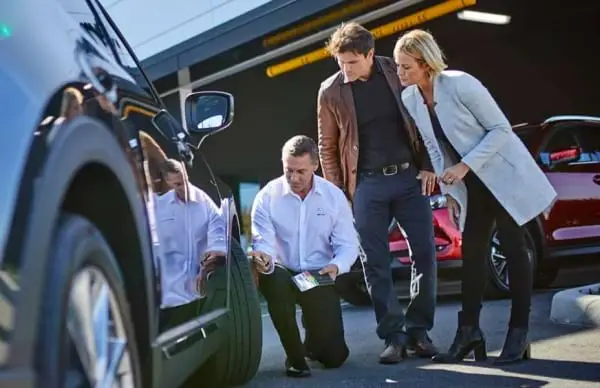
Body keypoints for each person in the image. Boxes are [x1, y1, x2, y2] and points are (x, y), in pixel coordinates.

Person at [394, 29, 558, 364]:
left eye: (405, 67)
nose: (399, 74)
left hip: (502, 176)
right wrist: (451, 190)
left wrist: (465, 167)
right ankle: (469, 333)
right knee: (473, 254)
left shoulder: (460, 84)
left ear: (425, 64)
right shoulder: (412, 98)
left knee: (514, 247)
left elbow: (501, 129)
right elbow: (434, 147)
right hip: (472, 185)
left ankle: (519, 332)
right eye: (398, 66)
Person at [317, 21, 439, 364]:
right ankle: (394, 335)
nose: (345, 69)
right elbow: (327, 146)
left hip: (409, 179)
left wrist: (429, 165)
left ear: (370, 55)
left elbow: (422, 119)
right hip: (366, 185)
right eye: (340, 62)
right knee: (375, 264)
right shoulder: (330, 90)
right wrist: (339, 195)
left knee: (425, 255)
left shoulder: (394, 70)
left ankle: (418, 331)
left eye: (352, 62)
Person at [250, 135, 359, 377]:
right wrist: (264, 257)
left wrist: (337, 266)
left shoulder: (333, 196)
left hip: (316, 275)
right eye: (288, 170)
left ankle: (312, 342)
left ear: (315, 166)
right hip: (283, 271)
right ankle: (295, 357)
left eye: (301, 171)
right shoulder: (267, 196)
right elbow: (263, 241)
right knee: (276, 284)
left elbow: (348, 244)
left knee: (334, 358)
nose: (294, 178)